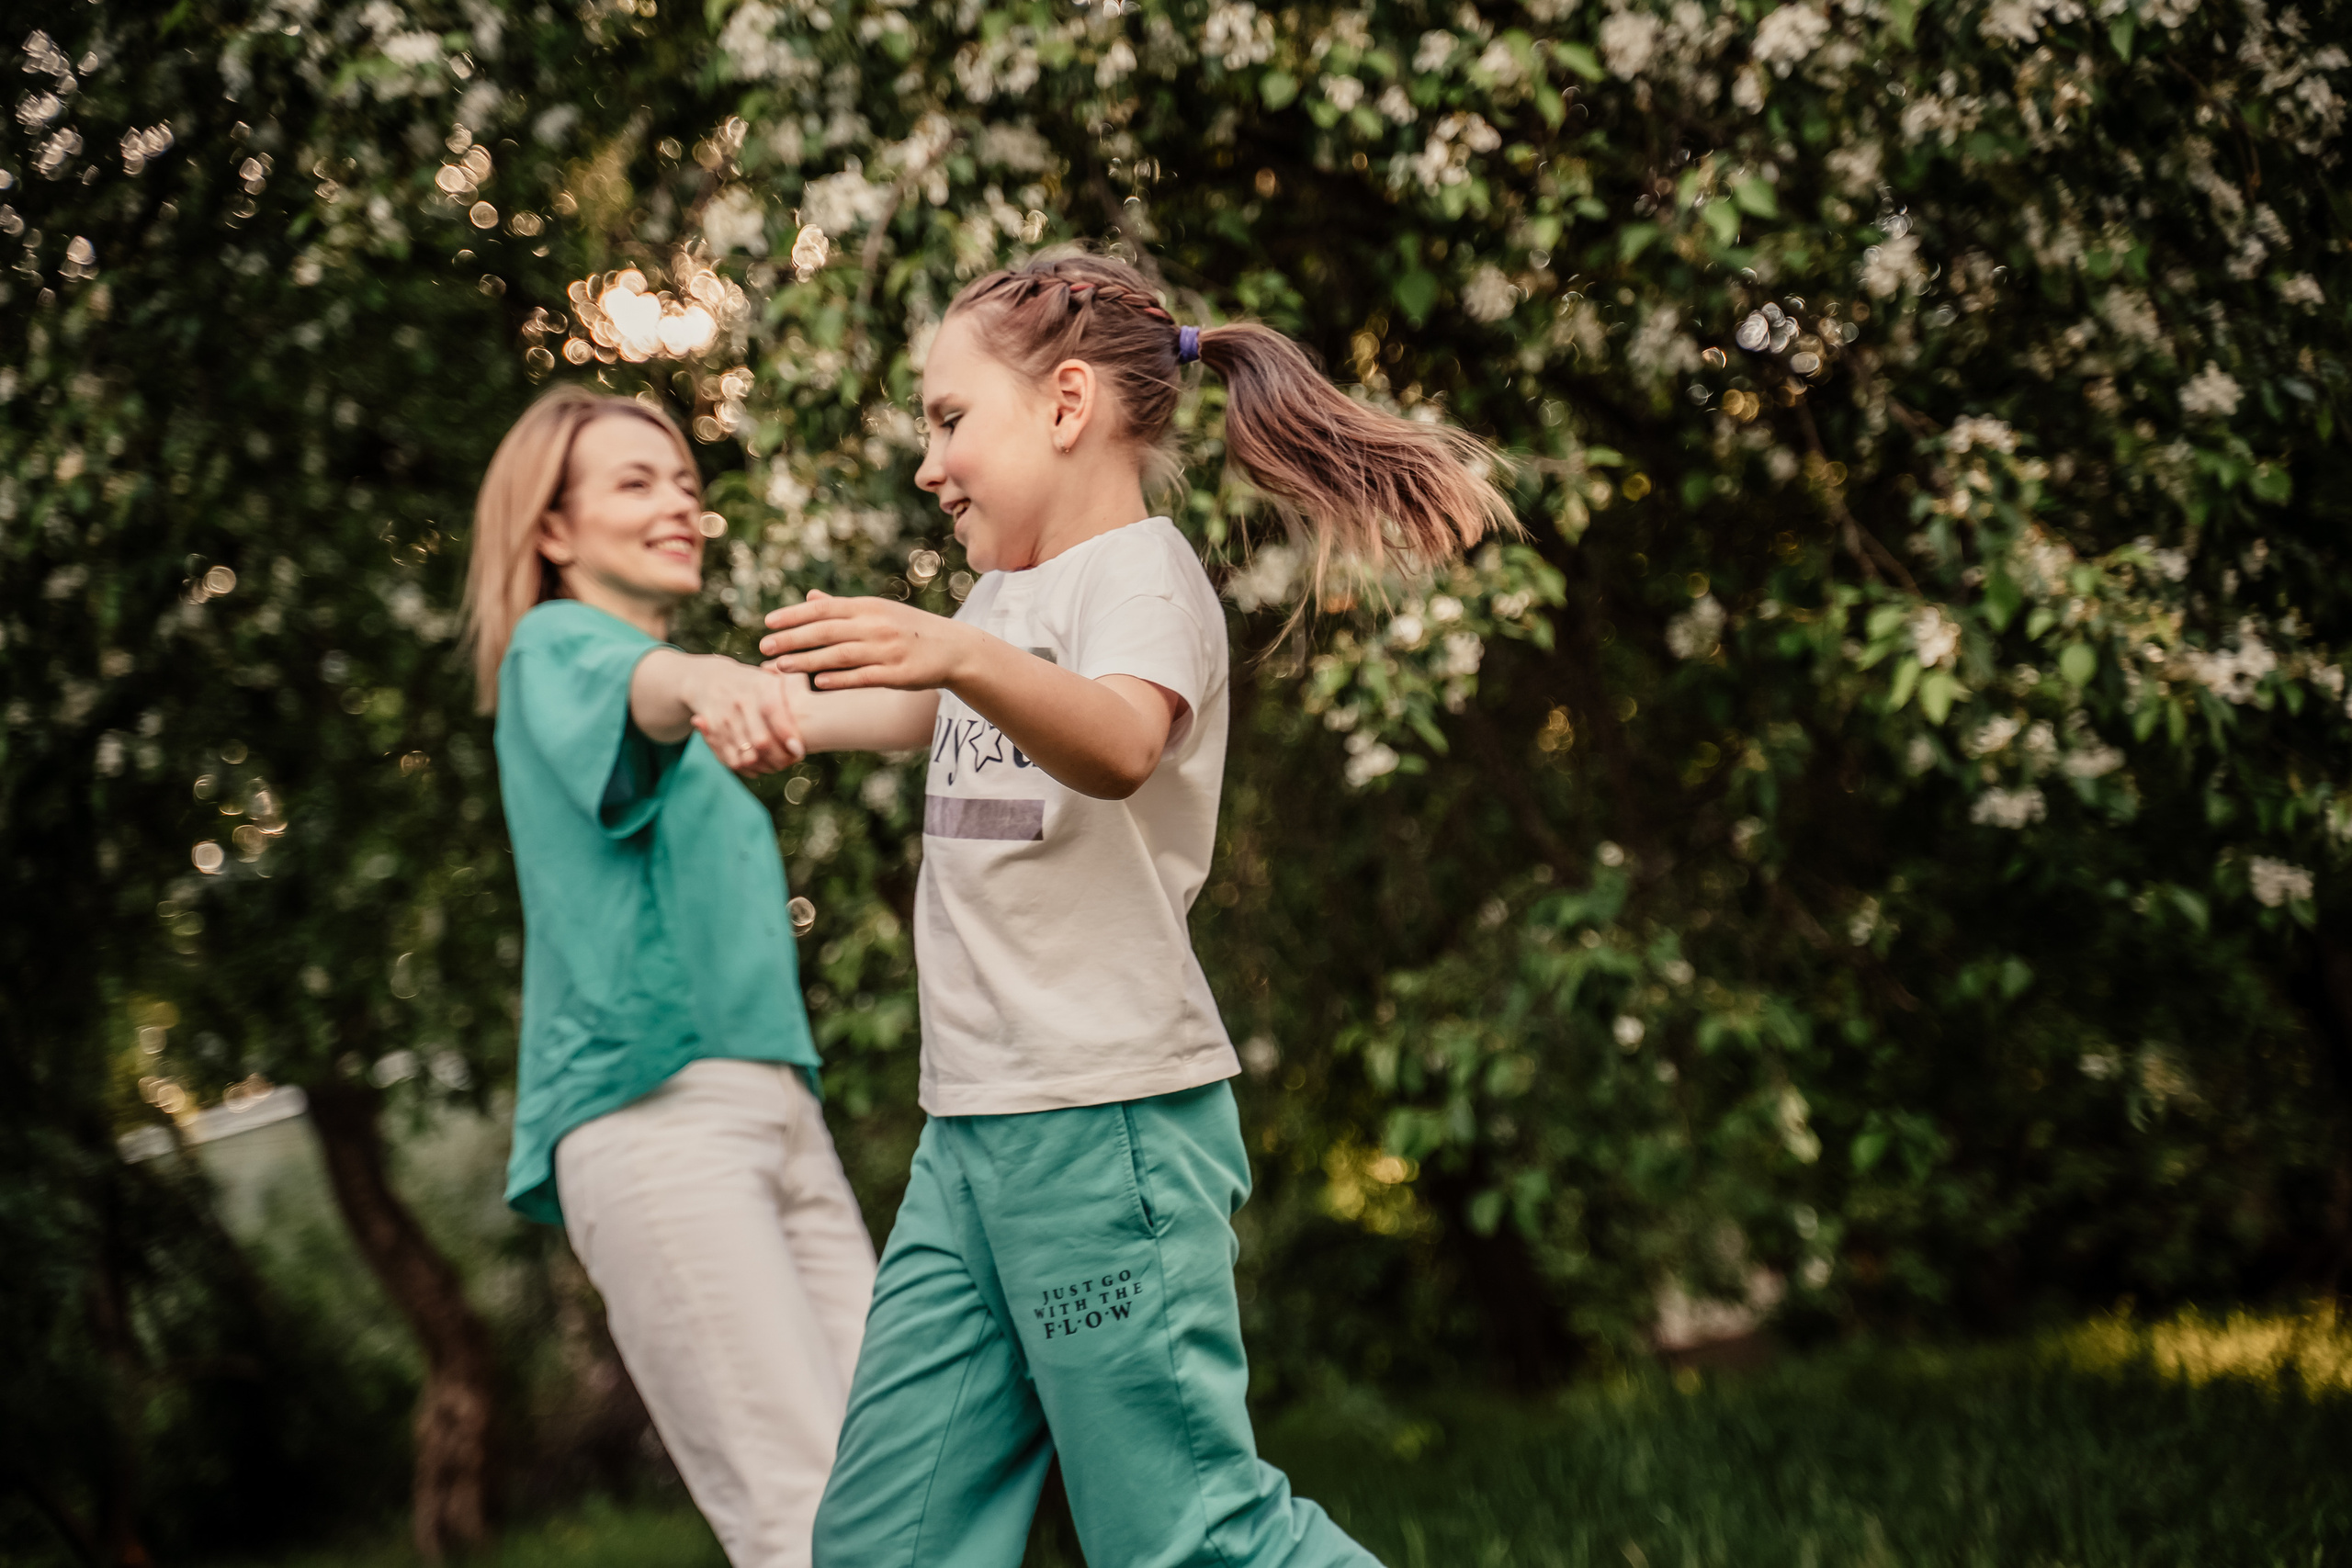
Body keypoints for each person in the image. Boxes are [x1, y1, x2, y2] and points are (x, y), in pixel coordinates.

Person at [755, 252, 1513, 1568]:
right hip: (972, 1131)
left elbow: (1115, 740)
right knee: (887, 1539)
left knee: (1186, 1536)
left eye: (947, 420)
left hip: (1101, 1124)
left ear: (1063, 405)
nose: (927, 464)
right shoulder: (1004, 601)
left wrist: (959, 648)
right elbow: (917, 704)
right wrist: (769, 713)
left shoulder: (1142, 579)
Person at [462, 387, 875, 1568]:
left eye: (685, 482)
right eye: (635, 483)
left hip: (777, 1117)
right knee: (804, 1526)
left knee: (905, 1495)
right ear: (551, 531)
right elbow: (654, 691)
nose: (678, 502)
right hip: (654, 1126)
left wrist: (1009, 670)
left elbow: (871, 712)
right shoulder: (560, 652)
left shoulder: (698, 716)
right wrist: (695, 679)